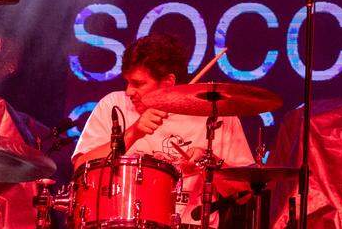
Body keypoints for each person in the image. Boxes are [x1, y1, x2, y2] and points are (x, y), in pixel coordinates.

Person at [72, 34, 255, 227]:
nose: (129, 91)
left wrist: (208, 162)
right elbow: (80, 169)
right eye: (127, 82)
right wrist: (133, 133)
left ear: (168, 82)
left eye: (138, 83)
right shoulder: (114, 105)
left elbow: (242, 193)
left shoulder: (217, 113)